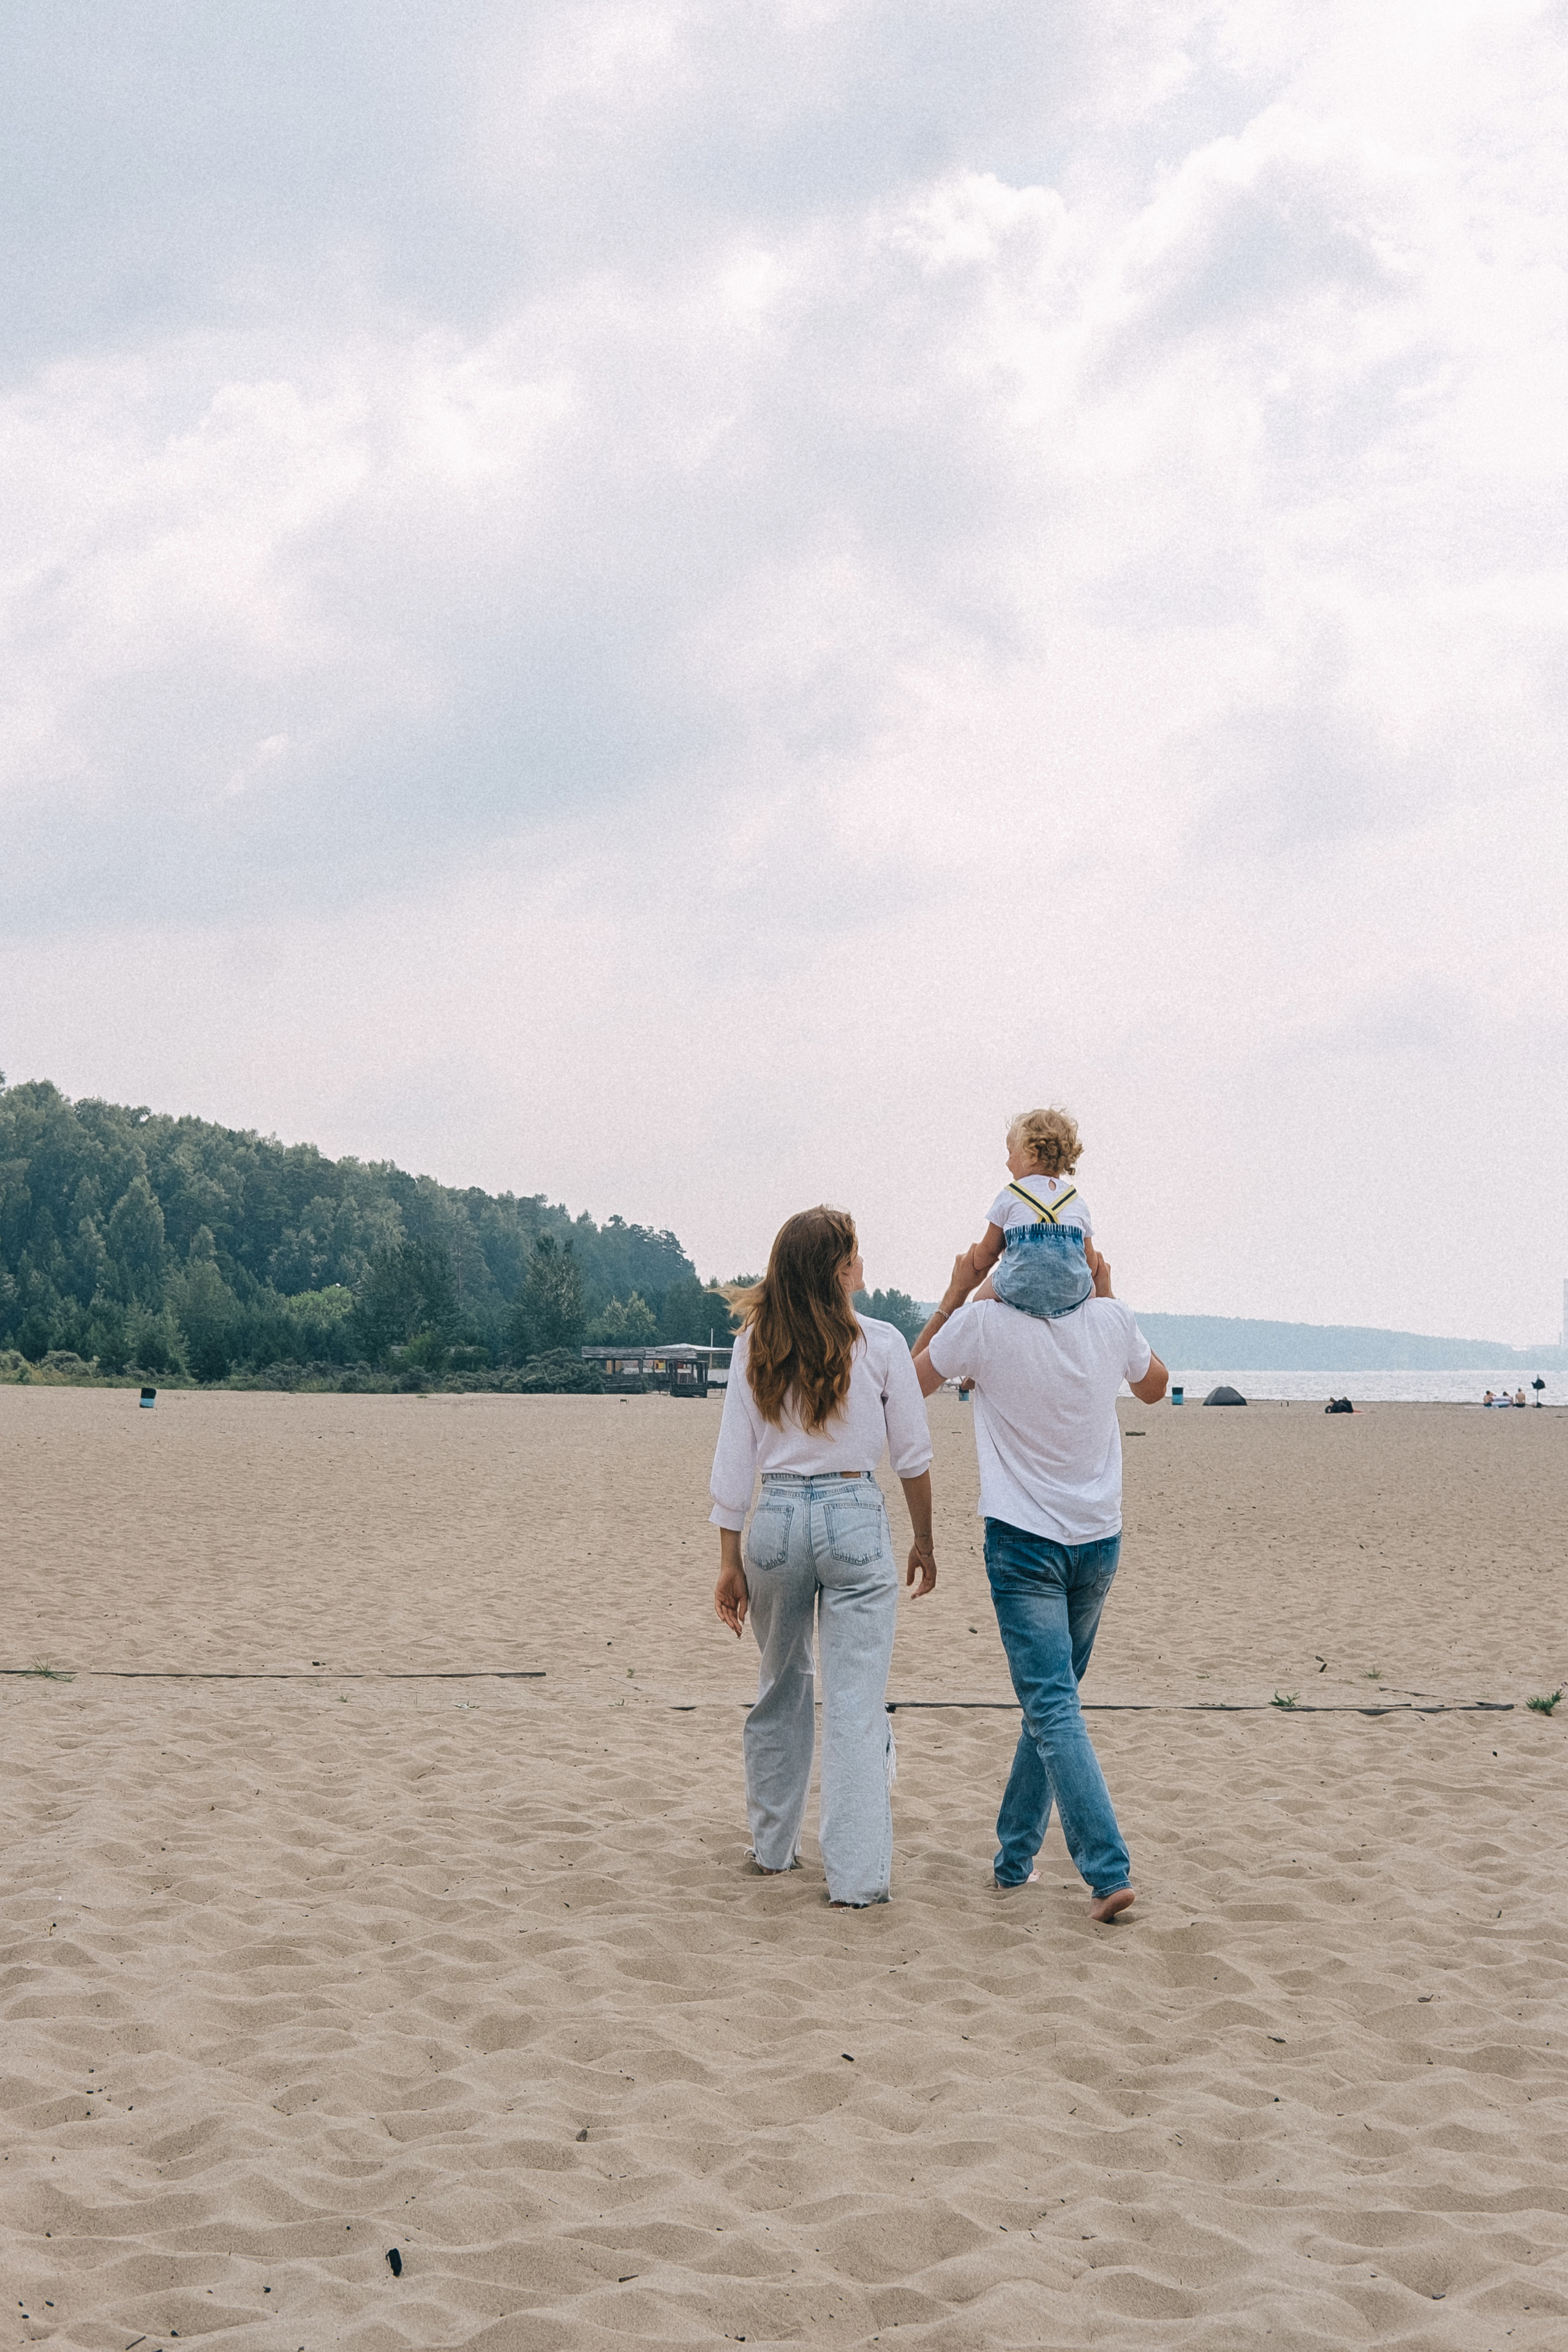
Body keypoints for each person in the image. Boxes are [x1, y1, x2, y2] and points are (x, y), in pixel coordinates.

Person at [911, 1237, 1166, 1921]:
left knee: (1052, 1705)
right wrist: (1107, 1293)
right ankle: (1013, 1859)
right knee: (1050, 1702)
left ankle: (1107, 1870)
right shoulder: (1110, 1319)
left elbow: (903, 1388)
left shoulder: (982, 1326)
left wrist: (958, 1292)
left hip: (1025, 1545)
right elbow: (1154, 1388)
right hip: (1096, 1541)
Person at [710, 1207, 936, 1908]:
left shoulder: (754, 1345)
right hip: (851, 1512)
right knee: (854, 1702)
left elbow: (732, 1463)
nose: (863, 1266)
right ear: (838, 1270)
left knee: (780, 1685)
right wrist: (924, 1538)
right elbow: (912, 1456)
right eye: (856, 1256)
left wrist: (728, 1560)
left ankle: (774, 1850)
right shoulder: (882, 1343)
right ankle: (857, 1879)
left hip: (774, 1516)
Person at [955, 1106, 1099, 1324]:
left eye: (1010, 1153)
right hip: (1072, 1294)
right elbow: (1091, 1261)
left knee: (978, 1304)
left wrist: (970, 1262)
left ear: (1030, 1154)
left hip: (1018, 1289)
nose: (1007, 1162)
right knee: (1093, 1294)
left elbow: (988, 1252)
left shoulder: (1010, 1195)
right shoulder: (1076, 1201)